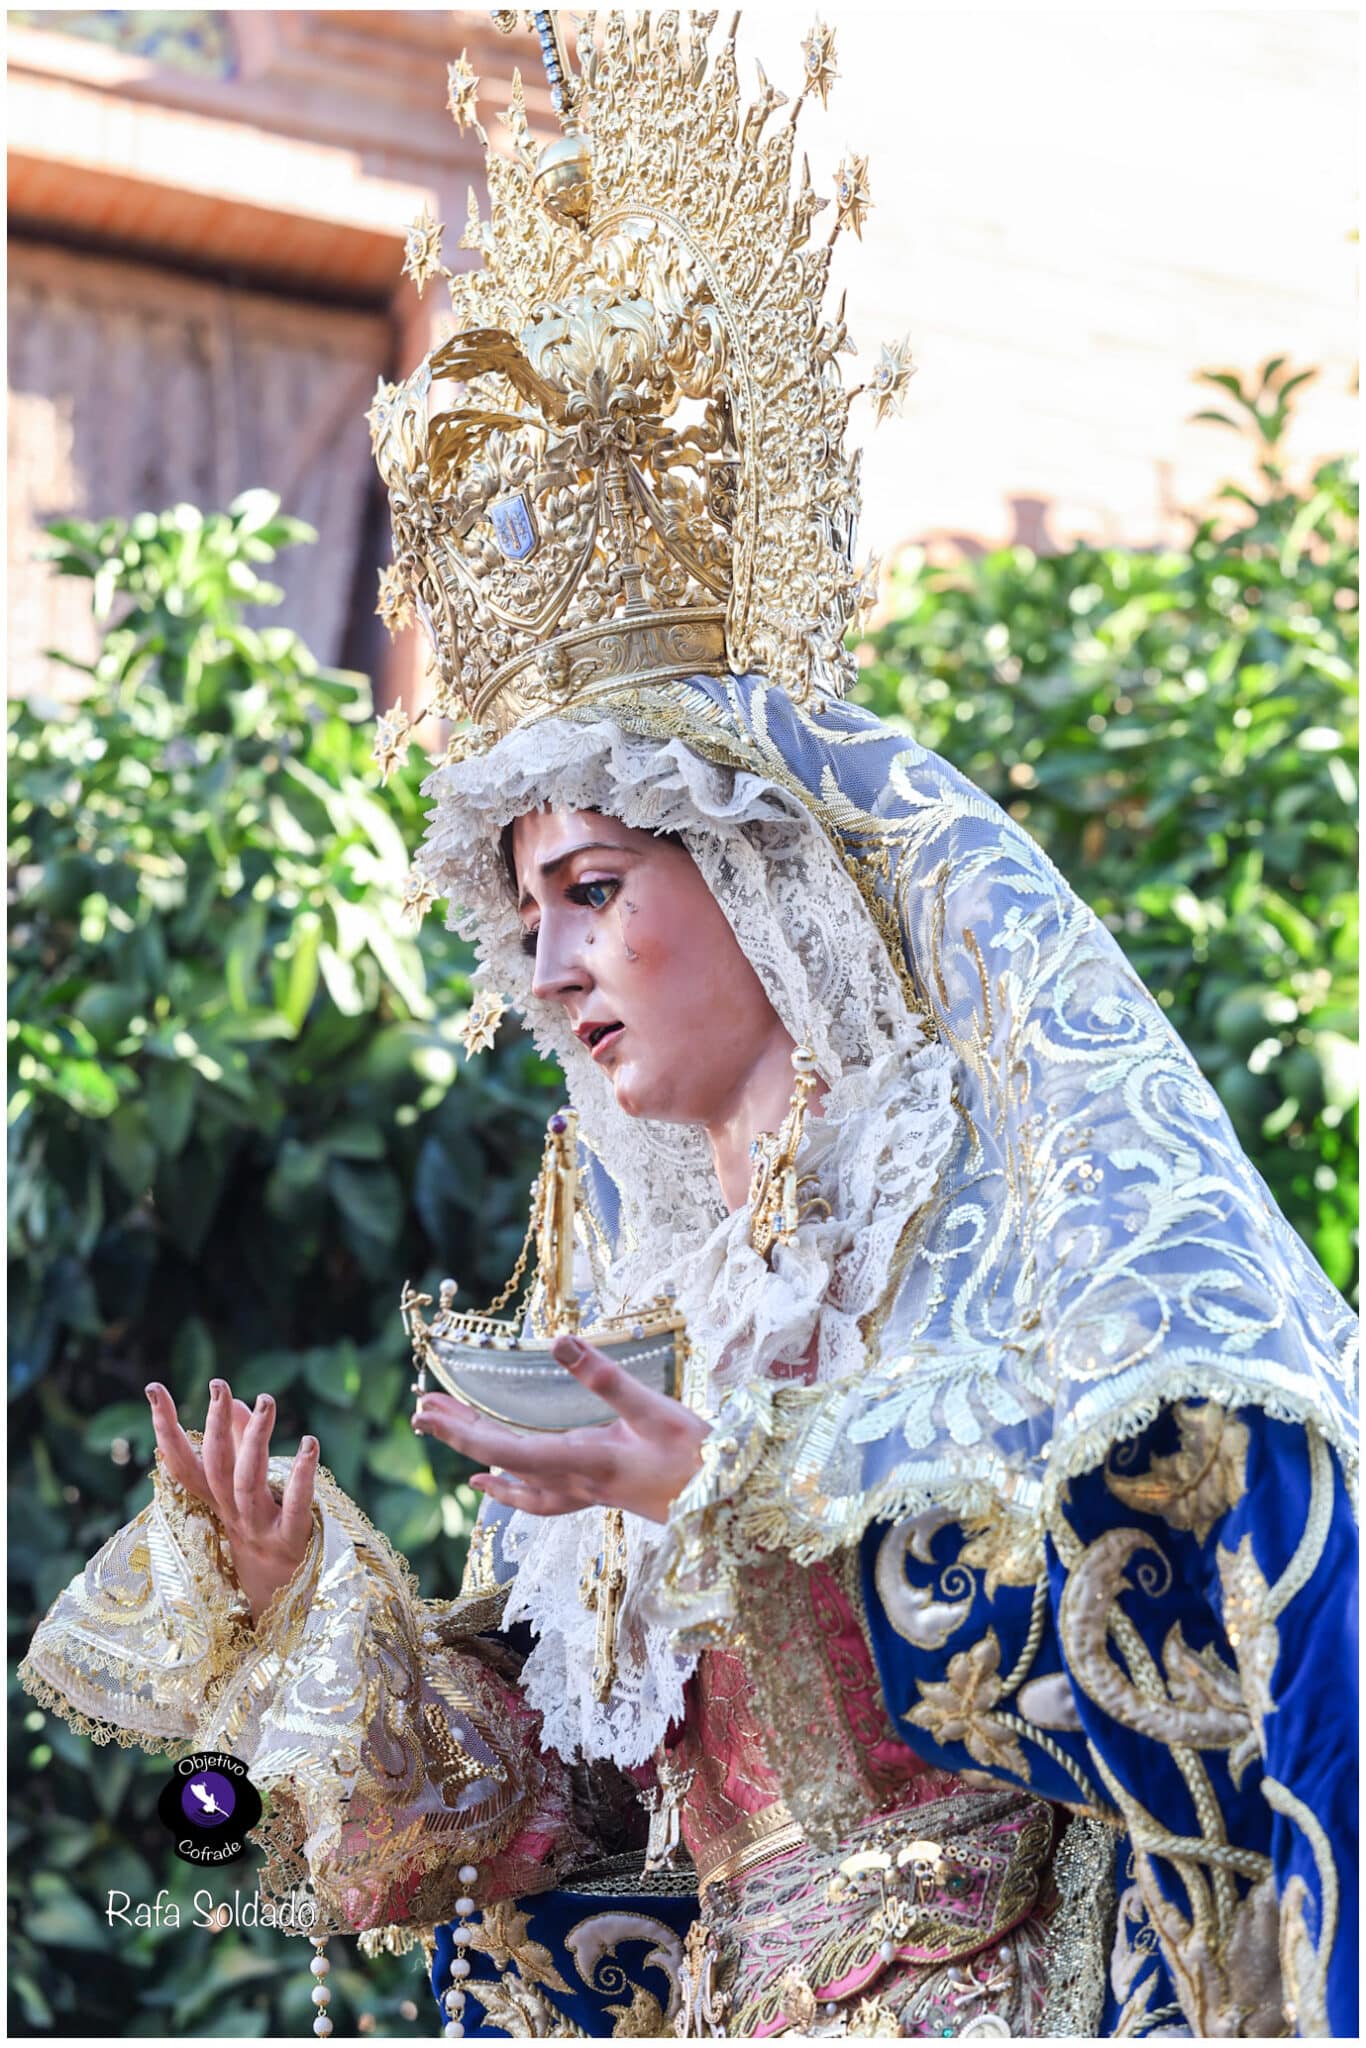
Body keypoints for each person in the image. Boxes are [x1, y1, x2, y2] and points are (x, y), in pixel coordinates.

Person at [22, 13, 1357, 2040]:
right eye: (524, 914)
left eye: (594, 892)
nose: (549, 967)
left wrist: (731, 1490)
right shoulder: (629, 1285)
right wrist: (303, 1610)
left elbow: (1186, 1630)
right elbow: (550, 1832)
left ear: (758, 880)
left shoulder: (966, 1209)